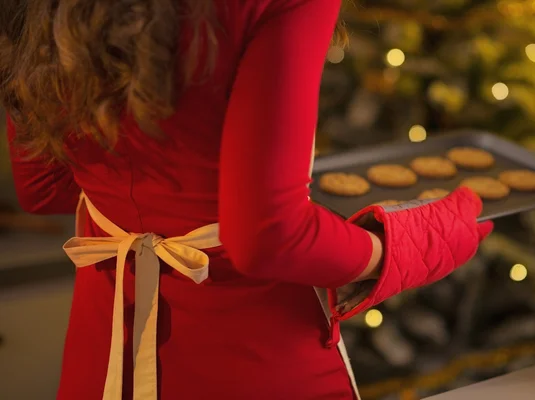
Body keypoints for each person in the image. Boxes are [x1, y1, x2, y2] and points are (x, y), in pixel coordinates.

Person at [1, 1, 492, 399]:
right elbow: (270, 236)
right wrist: (413, 245)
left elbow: (43, 189)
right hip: (255, 359)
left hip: (108, 353)